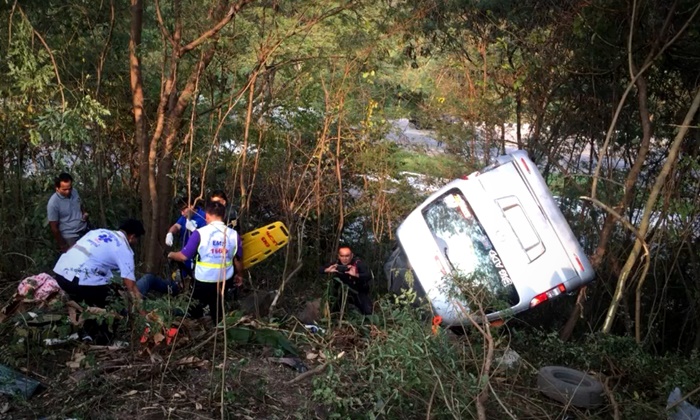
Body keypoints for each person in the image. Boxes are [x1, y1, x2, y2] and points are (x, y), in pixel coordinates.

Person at [167, 200, 241, 323]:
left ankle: (195, 324)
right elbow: (238, 260)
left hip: (203, 280)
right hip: (224, 280)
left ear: (207, 215)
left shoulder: (200, 233)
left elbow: (184, 256)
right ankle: (219, 328)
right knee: (217, 307)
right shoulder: (233, 234)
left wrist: (172, 254)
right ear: (223, 216)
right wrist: (240, 275)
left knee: (195, 307)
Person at [52, 219, 145, 308]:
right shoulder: (124, 248)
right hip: (78, 282)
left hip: (60, 274)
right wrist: (143, 314)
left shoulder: (98, 232)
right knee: (115, 299)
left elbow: (71, 249)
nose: (136, 242)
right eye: (137, 239)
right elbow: (131, 286)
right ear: (132, 237)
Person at [321, 245, 373, 315]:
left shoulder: (357, 263)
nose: (344, 259)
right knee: (332, 310)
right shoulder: (336, 263)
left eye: (347, 256)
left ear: (351, 256)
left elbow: (368, 275)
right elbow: (320, 269)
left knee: (367, 311)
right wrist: (326, 270)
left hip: (357, 292)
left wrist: (356, 275)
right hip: (341, 292)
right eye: (342, 256)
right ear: (339, 256)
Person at [164, 196, 207, 278]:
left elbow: (206, 239)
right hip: (184, 256)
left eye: (183, 210)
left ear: (191, 206)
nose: (182, 213)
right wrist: (170, 233)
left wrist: (194, 230)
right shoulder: (184, 217)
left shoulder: (203, 217)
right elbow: (176, 226)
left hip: (198, 259)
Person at [47, 172, 89, 253]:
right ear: (57, 188)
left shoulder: (75, 192)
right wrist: (63, 245)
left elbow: (80, 204)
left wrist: (84, 214)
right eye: (64, 189)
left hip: (84, 230)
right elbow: (54, 228)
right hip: (70, 237)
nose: (68, 191)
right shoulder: (53, 203)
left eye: (69, 188)